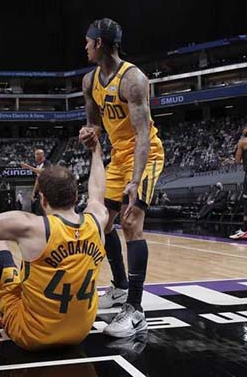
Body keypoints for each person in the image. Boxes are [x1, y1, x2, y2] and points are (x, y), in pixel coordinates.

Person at [0, 137, 109, 349]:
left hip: (32, 335)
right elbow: (97, 191)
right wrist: (96, 150)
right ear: (76, 195)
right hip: (80, 332)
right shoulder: (97, 219)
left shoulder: (32, 227)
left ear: (43, 199)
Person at [80, 18, 164, 337]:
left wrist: (135, 180)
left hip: (145, 154)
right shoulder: (89, 81)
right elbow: (94, 125)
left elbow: (143, 135)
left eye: (88, 42)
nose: (85, 47)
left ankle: (135, 309)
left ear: (99, 43)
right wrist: (89, 134)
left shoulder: (133, 79)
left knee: (130, 222)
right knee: (101, 222)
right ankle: (119, 287)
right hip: (117, 156)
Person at [21, 148, 52, 215]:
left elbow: (42, 172)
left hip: (47, 189)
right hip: (40, 189)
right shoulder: (38, 165)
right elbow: (38, 179)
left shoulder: (47, 163)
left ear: (41, 155)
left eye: (36, 154)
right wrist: (33, 192)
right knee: (38, 210)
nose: (35, 156)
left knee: (46, 209)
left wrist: (28, 167)